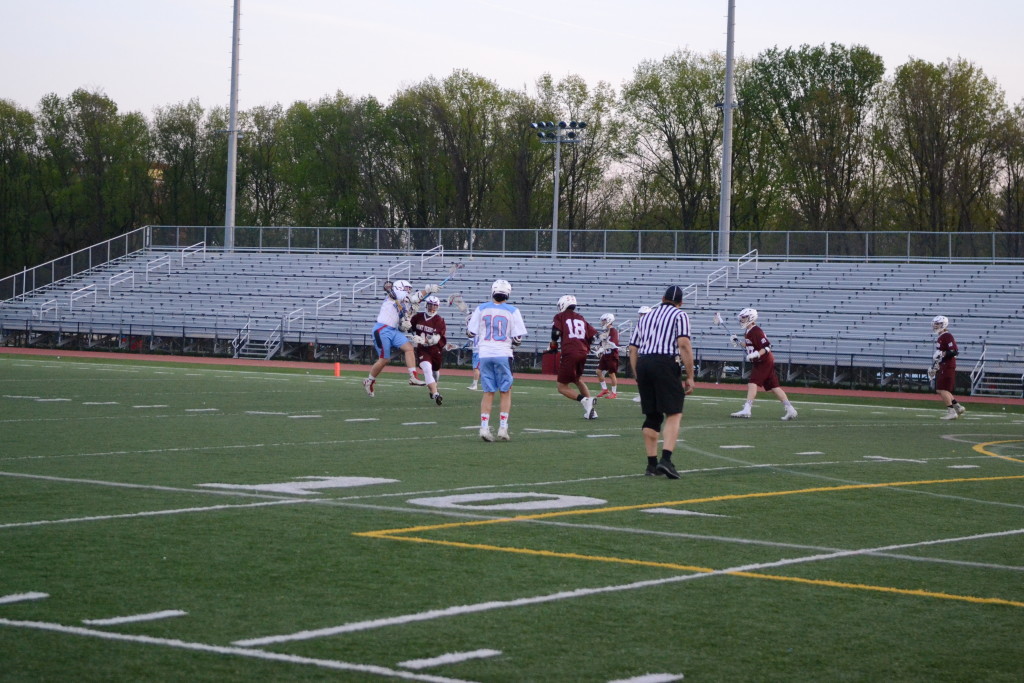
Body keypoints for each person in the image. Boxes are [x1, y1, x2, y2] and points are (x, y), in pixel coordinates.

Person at [628, 286, 694, 479]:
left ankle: (651, 465)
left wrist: (636, 372)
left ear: (662, 298)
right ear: (681, 303)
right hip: (665, 362)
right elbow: (683, 344)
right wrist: (690, 375)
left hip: (644, 363)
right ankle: (666, 460)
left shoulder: (646, 316)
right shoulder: (680, 315)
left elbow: (633, 348)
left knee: (652, 415)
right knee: (674, 412)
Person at [467, 279, 527, 442]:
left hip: (484, 353)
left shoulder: (481, 308)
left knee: (488, 392)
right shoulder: (513, 311)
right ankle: (503, 427)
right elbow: (517, 339)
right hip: (503, 353)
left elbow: (470, 334)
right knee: (505, 391)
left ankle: (484, 428)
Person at [363, 279, 440, 397]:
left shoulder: (402, 303)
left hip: (393, 330)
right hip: (382, 329)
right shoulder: (396, 293)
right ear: (400, 287)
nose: (409, 291)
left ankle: (413, 376)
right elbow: (414, 298)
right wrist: (428, 289)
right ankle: (369, 380)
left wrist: (406, 322)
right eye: (407, 289)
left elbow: (402, 325)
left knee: (409, 348)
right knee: (384, 359)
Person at [729, 308, 798, 421]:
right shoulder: (748, 331)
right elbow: (750, 345)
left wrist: (756, 354)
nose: (742, 320)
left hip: (763, 361)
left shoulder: (756, 331)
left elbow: (766, 347)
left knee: (752, 383)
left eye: (744, 318)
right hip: (762, 361)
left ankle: (747, 409)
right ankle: (791, 410)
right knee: (774, 387)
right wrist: (738, 342)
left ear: (751, 318)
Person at [550, 295, 599, 419]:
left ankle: (585, 400)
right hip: (583, 352)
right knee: (577, 379)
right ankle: (591, 411)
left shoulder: (560, 316)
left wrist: (553, 345)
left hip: (570, 352)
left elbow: (555, 333)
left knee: (561, 387)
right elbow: (593, 336)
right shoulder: (581, 318)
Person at [409, 295, 449, 406]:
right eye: (430, 305)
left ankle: (434, 385)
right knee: (427, 369)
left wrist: (423, 340)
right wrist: (405, 322)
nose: (432, 308)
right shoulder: (418, 317)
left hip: (435, 350)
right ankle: (436, 393)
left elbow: (435, 339)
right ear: (426, 305)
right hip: (423, 351)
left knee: (435, 371)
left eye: (435, 306)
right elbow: (406, 327)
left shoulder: (439, 320)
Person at [929, 315, 966, 420]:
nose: (935, 326)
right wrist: (936, 365)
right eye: (935, 324)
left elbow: (954, 351)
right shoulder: (941, 336)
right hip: (944, 365)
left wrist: (942, 354)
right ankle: (958, 407)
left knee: (941, 389)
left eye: (937, 324)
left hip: (948, 365)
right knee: (942, 389)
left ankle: (951, 412)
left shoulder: (946, 336)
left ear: (943, 324)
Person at [595, 313, 620, 399]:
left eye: (604, 320)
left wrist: (602, 349)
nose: (602, 322)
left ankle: (614, 392)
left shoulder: (613, 331)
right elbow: (603, 342)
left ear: (609, 320)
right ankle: (605, 389)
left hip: (612, 355)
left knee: (611, 374)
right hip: (606, 355)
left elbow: (613, 344)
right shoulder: (606, 331)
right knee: (598, 371)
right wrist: (598, 347)